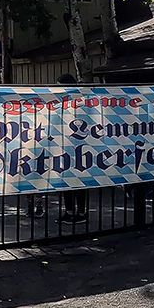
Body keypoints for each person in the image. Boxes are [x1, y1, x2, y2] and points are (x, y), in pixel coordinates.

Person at [56, 74, 89, 224]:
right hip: (64, 145)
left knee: (78, 181)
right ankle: (69, 211)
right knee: (65, 181)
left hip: (79, 146)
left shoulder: (80, 100)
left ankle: (82, 212)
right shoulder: (61, 101)